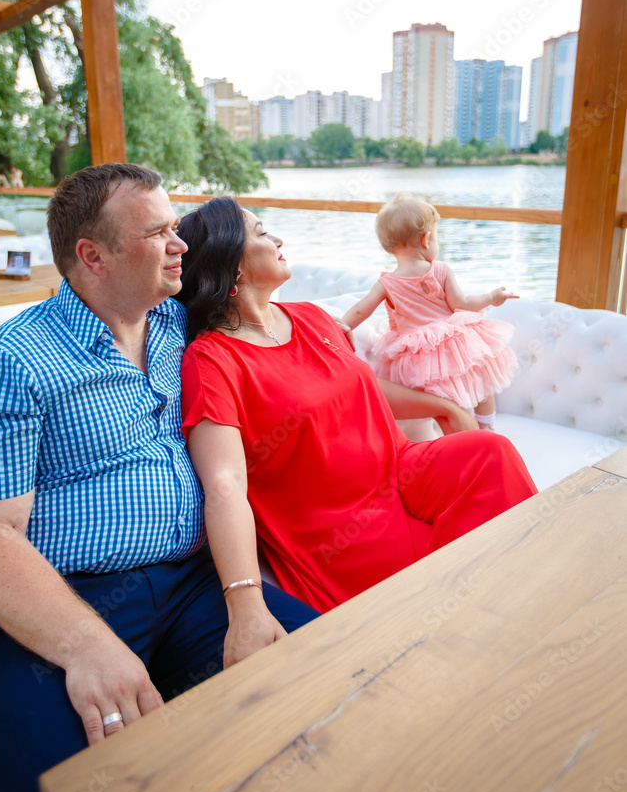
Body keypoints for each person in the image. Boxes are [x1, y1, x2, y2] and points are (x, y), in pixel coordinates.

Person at [0, 164, 318, 792]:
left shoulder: (185, 328)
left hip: (196, 585)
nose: (179, 241)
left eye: (174, 225)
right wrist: (85, 645)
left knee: (333, 681)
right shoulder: (11, 360)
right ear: (92, 256)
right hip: (55, 601)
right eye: (158, 231)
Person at [176, 197, 537, 661]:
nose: (279, 239)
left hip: (401, 467)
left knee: (490, 452)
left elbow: (356, 387)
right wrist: (244, 601)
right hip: (335, 519)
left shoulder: (310, 317)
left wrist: (446, 407)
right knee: (439, 607)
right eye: (263, 233)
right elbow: (223, 484)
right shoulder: (212, 361)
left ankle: (531, 603)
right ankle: (477, 641)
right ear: (234, 263)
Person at [341, 194, 518, 431]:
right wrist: (493, 298)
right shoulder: (442, 270)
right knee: (482, 386)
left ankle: (447, 444)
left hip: (415, 358)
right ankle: (487, 429)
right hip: (456, 347)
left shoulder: (387, 284)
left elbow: (361, 310)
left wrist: (339, 326)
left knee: (438, 404)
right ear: (426, 239)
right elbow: (463, 304)